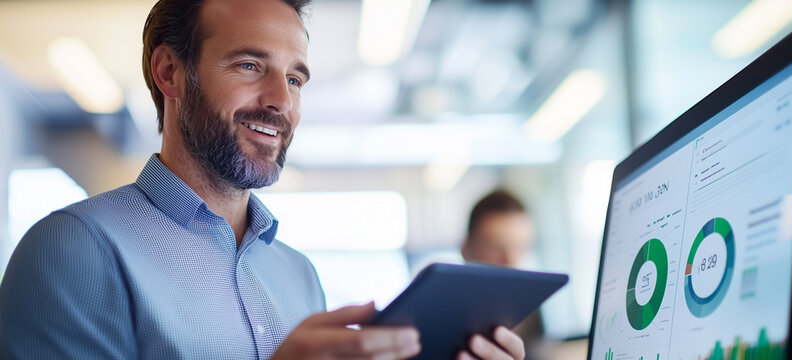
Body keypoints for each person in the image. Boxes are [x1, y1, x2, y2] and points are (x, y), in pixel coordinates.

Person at [0, 0, 526, 359]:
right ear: (170, 73)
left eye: (295, 78)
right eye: (250, 65)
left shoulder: (299, 275)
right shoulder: (73, 251)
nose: (281, 102)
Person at [461, 190, 544, 359]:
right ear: (466, 250)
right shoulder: (441, 319)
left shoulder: (531, 309)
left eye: (520, 247)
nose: (511, 261)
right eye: (496, 248)